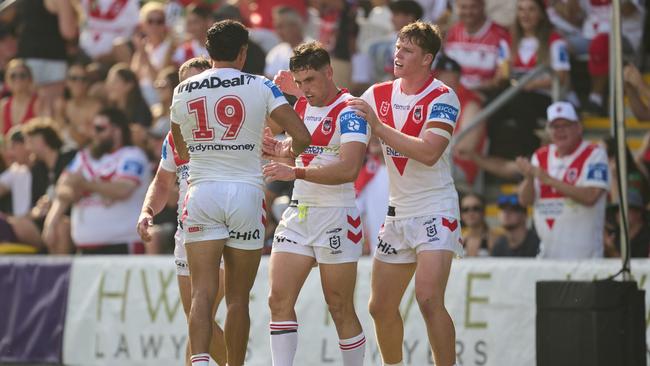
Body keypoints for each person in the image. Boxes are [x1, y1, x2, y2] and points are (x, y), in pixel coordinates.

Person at [169, 20, 311, 366]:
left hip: (201, 192)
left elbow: (181, 148)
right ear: (244, 53)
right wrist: (274, 146)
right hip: (246, 193)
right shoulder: (261, 85)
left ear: (208, 52)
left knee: (201, 293)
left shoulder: (184, 89)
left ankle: (200, 362)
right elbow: (303, 137)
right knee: (236, 299)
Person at [348, 21, 463, 366]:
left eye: (408, 50)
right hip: (397, 211)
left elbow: (429, 152)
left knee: (428, 300)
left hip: (436, 207)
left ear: (427, 58)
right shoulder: (377, 93)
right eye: (398, 46)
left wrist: (379, 128)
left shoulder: (444, 96)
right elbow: (339, 122)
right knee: (379, 306)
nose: (398, 54)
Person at [263, 41, 369, 366]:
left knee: (339, 305)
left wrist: (294, 169)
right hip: (299, 211)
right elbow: (300, 151)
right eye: (299, 82)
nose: (304, 89)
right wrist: (275, 149)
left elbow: (349, 169)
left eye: (310, 80)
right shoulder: (301, 107)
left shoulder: (352, 109)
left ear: (329, 72)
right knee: (277, 299)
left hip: (336, 214)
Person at [136, 57, 226, 366]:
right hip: (187, 228)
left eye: (202, 81)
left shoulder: (234, 122)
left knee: (201, 314)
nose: (195, 89)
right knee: (196, 317)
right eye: (187, 84)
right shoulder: (175, 133)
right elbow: (162, 182)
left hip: (226, 225)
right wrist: (147, 210)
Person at [43, 107, 150, 254]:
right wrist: (51, 222)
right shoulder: (84, 156)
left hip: (122, 245)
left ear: (117, 130)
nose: (94, 134)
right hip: (84, 247)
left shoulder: (132, 155)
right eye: (93, 128)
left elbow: (123, 189)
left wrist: (84, 184)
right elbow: (63, 187)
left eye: (100, 129)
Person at [516, 101, 609, 258]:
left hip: (585, 257)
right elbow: (525, 201)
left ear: (578, 127)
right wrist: (529, 179)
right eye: (554, 126)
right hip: (548, 256)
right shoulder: (540, 155)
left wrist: (550, 180)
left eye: (566, 125)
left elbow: (591, 196)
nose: (560, 131)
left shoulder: (594, 153)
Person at [444, 0, 510, 94]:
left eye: (473, 7)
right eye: (463, 7)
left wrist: (472, 91)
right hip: (453, 95)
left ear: (482, 6)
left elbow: (502, 76)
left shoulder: (500, 35)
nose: (468, 12)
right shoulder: (451, 33)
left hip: (486, 97)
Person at [0, 59, 41, 136]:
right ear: (6, 81)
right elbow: (1, 137)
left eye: (22, 75)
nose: (18, 79)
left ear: (30, 79)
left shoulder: (38, 103)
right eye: (13, 76)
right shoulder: (3, 106)